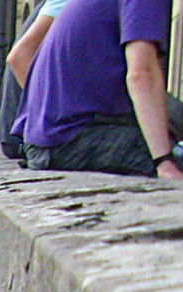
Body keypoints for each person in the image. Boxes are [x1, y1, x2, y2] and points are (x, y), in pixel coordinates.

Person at [14, 0, 180, 178]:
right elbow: (141, 74)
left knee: (174, 115)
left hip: (49, 136)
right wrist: (164, 162)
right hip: (68, 140)